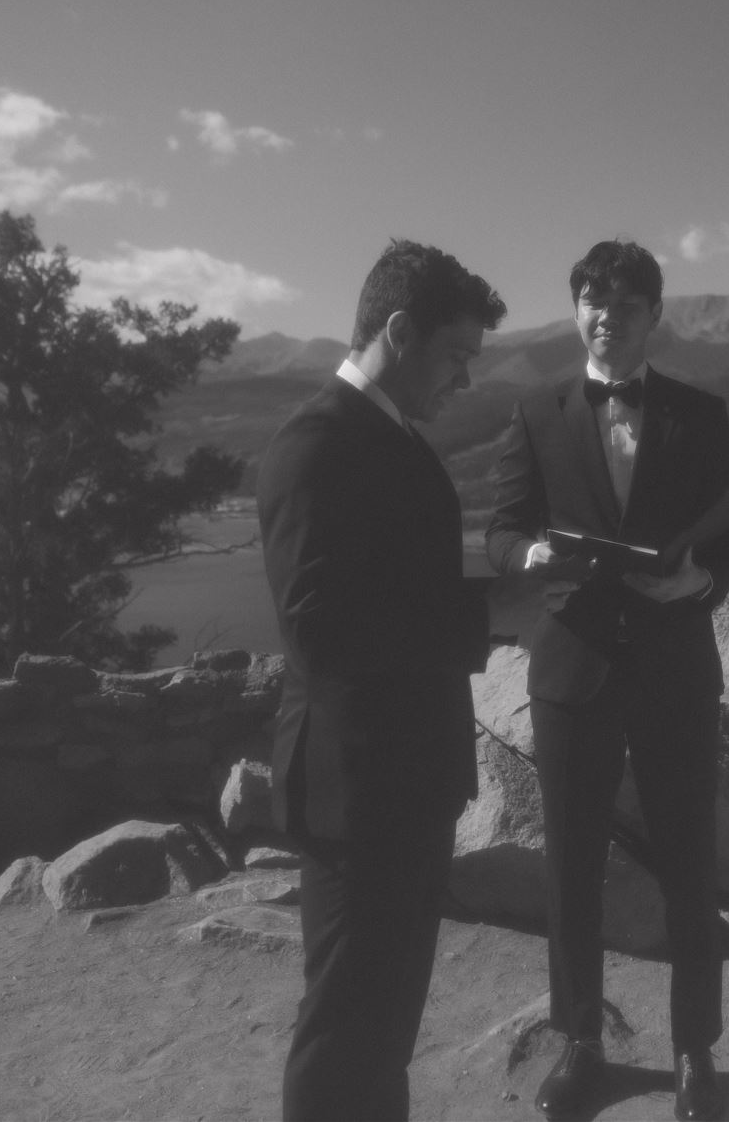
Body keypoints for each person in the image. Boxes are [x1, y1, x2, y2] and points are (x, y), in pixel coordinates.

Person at [487, 240, 729, 1122]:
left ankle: (692, 1050)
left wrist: (699, 581)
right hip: (574, 664)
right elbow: (502, 528)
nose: (608, 316)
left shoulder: (700, 412)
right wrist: (524, 552)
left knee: (689, 858)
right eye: (593, 301)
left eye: (627, 304)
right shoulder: (535, 410)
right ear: (576, 310)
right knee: (571, 861)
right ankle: (581, 1041)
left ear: (653, 316)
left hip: (675, 663)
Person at [257, 239, 506, 1122]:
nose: (465, 381)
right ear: (398, 331)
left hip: (404, 782)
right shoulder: (317, 443)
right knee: (345, 1031)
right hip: (354, 789)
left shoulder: (386, 436)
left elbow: (398, 592)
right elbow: (320, 631)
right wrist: (493, 614)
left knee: (385, 1028)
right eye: (457, 356)